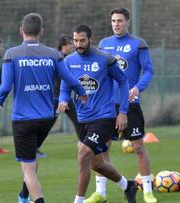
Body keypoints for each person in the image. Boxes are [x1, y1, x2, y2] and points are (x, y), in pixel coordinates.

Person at [0, 13, 87, 203]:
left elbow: (6, 85)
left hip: (23, 119)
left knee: (27, 168)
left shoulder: (12, 54)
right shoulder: (54, 54)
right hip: (46, 118)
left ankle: (37, 200)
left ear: (21, 31)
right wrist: (81, 90)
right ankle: (24, 196)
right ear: (41, 31)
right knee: (32, 158)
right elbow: (69, 78)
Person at [58, 24, 137, 203]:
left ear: (90, 40)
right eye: (75, 40)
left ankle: (78, 201)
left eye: (82, 40)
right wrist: (63, 100)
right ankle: (128, 186)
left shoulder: (105, 59)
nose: (78, 44)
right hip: (82, 119)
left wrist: (123, 112)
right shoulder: (69, 61)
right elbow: (65, 87)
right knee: (97, 164)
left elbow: (123, 82)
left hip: (104, 116)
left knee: (84, 154)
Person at [85, 8, 157, 203]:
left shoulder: (138, 44)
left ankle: (147, 191)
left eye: (119, 21)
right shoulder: (103, 44)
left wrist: (138, 88)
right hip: (106, 105)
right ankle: (100, 193)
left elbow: (149, 71)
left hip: (130, 104)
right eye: (113, 21)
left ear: (128, 22)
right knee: (102, 149)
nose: (116, 24)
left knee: (138, 146)